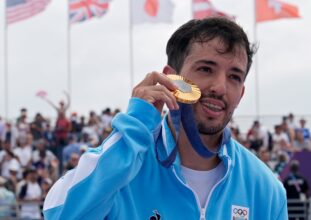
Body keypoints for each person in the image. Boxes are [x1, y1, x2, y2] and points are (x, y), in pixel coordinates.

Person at [43, 17, 287, 219]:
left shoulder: (265, 189)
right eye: (206, 69)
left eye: (234, 76)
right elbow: (59, 213)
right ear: (171, 79)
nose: (220, 87)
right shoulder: (123, 167)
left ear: (241, 93)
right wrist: (136, 125)